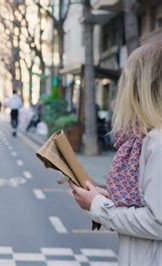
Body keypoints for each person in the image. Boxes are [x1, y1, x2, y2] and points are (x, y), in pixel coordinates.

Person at [69, 43, 162, 265]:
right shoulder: (146, 139)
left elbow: (158, 222)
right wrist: (107, 199)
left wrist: (99, 206)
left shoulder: (157, 142)